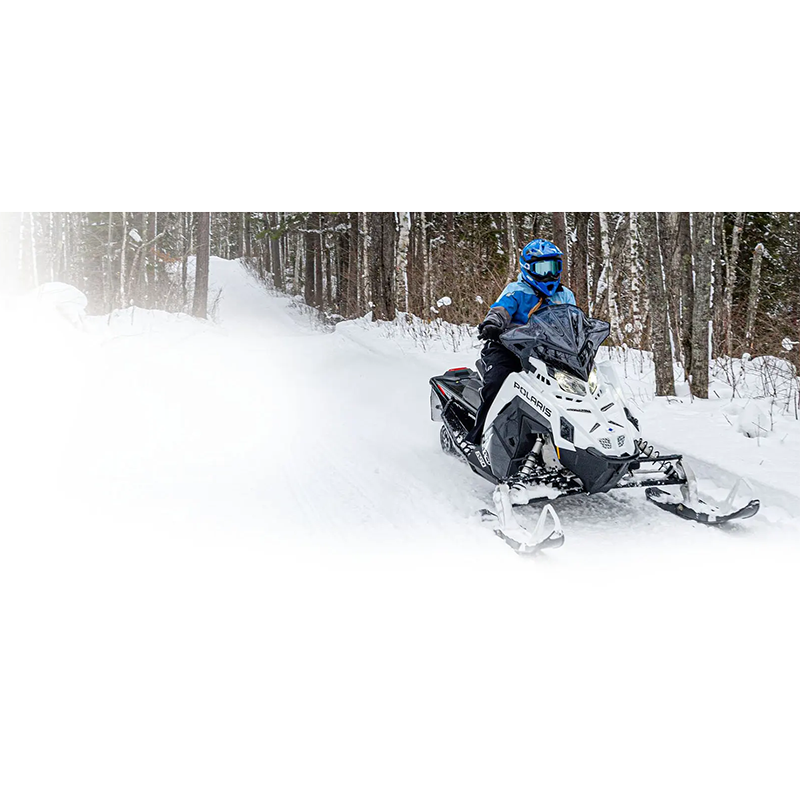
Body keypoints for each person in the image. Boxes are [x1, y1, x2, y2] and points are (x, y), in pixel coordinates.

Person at [465, 239, 576, 445]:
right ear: (528, 268)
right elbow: (500, 310)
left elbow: (574, 321)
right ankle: (478, 437)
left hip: (548, 354)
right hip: (509, 349)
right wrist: (492, 324)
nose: (549, 274)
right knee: (497, 383)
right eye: (542, 268)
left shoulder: (565, 295)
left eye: (554, 267)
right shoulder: (516, 291)